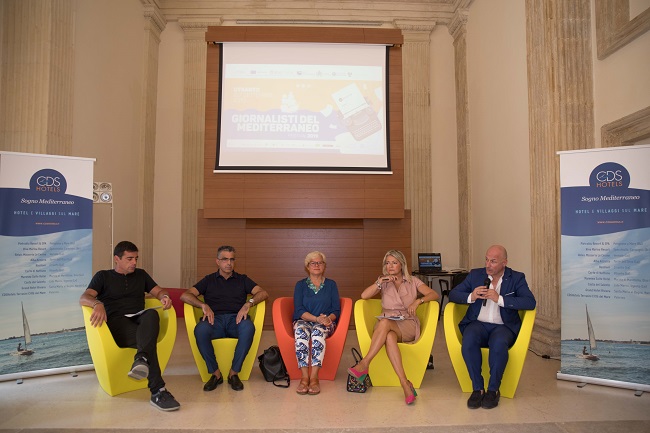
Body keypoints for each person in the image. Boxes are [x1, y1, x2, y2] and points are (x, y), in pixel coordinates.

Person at [79, 241, 180, 411]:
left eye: (136, 259)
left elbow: (159, 291)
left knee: (152, 314)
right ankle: (158, 391)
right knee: (148, 343)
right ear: (116, 259)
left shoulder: (141, 275)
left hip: (139, 319)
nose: (134, 262)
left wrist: (164, 297)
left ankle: (142, 359)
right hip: (117, 325)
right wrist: (97, 303)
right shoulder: (103, 276)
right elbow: (84, 297)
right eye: (129, 258)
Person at [448, 245, 536, 410]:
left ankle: (493, 389)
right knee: (469, 340)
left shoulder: (516, 278)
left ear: (504, 262)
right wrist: (471, 296)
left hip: (503, 326)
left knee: (498, 344)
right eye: (487, 259)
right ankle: (478, 388)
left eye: (493, 261)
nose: (488, 264)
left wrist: (500, 299)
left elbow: (530, 302)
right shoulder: (475, 275)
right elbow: (453, 294)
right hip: (477, 323)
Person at [348, 250, 439, 405]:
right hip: (388, 324)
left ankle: (365, 363)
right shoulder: (383, 281)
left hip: (407, 323)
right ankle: (405, 384)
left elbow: (434, 294)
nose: (390, 266)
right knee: (389, 335)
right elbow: (364, 296)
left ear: (401, 264)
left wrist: (418, 301)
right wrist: (379, 282)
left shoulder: (413, 281)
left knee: (384, 323)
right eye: (387, 262)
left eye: (394, 262)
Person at [180, 245, 268, 392]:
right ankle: (215, 374)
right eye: (225, 259)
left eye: (232, 259)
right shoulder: (209, 280)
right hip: (215, 320)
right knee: (200, 329)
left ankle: (234, 373)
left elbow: (263, 293)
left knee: (248, 327)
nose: (229, 263)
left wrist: (249, 303)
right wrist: (203, 305)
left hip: (237, 320)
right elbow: (185, 295)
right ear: (217, 261)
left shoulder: (242, 279)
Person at [292, 251, 341, 395]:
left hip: (325, 323)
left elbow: (336, 310)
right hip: (304, 320)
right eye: (313, 263)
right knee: (301, 333)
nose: (316, 265)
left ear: (324, 266)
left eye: (320, 262)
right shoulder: (300, 285)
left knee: (318, 334)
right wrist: (316, 319)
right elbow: (299, 310)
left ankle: (314, 378)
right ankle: (304, 377)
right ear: (307, 266)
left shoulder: (331, 284)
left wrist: (327, 319)